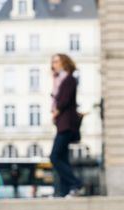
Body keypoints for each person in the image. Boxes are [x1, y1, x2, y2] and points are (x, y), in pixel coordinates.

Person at [50, 53, 84, 197]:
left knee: (55, 157)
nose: (54, 65)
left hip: (66, 125)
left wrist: (55, 112)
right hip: (62, 124)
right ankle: (65, 191)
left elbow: (64, 100)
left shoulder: (69, 79)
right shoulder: (59, 80)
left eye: (57, 61)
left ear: (64, 63)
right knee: (62, 158)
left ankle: (76, 184)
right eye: (53, 62)